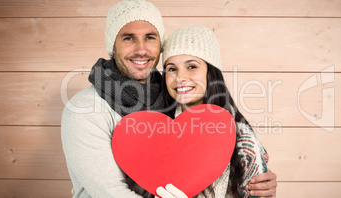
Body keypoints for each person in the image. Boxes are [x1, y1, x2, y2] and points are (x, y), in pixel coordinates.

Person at [61, 0, 277, 197]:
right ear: (113, 45)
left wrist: (259, 182)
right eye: (128, 38)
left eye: (150, 37)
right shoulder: (86, 108)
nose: (141, 49)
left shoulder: (170, 101)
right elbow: (110, 193)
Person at [158, 26, 276, 198]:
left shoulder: (242, 139)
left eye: (191, 66)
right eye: (171, 68)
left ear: (210, 72)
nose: (180, 77)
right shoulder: (157, 129)